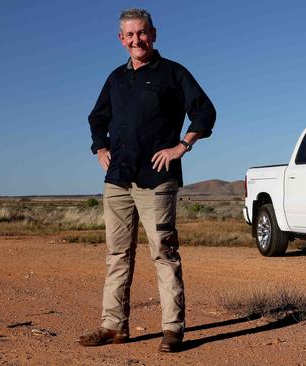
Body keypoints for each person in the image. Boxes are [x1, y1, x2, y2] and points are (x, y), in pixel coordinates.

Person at [78, 8, 216, 352]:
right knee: (117, 254)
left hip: (156, 179)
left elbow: (204, 110)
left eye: (142, 33)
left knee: (164, 253)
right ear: (121, 39)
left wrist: (182, 146)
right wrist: (100, 148)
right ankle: (114, 327)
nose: (136, 40)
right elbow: (98, 117)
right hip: (118, 179)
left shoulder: (172, 73)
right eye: (129, 35)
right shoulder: (115, 79)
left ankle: (172, 330)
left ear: (153, 34)